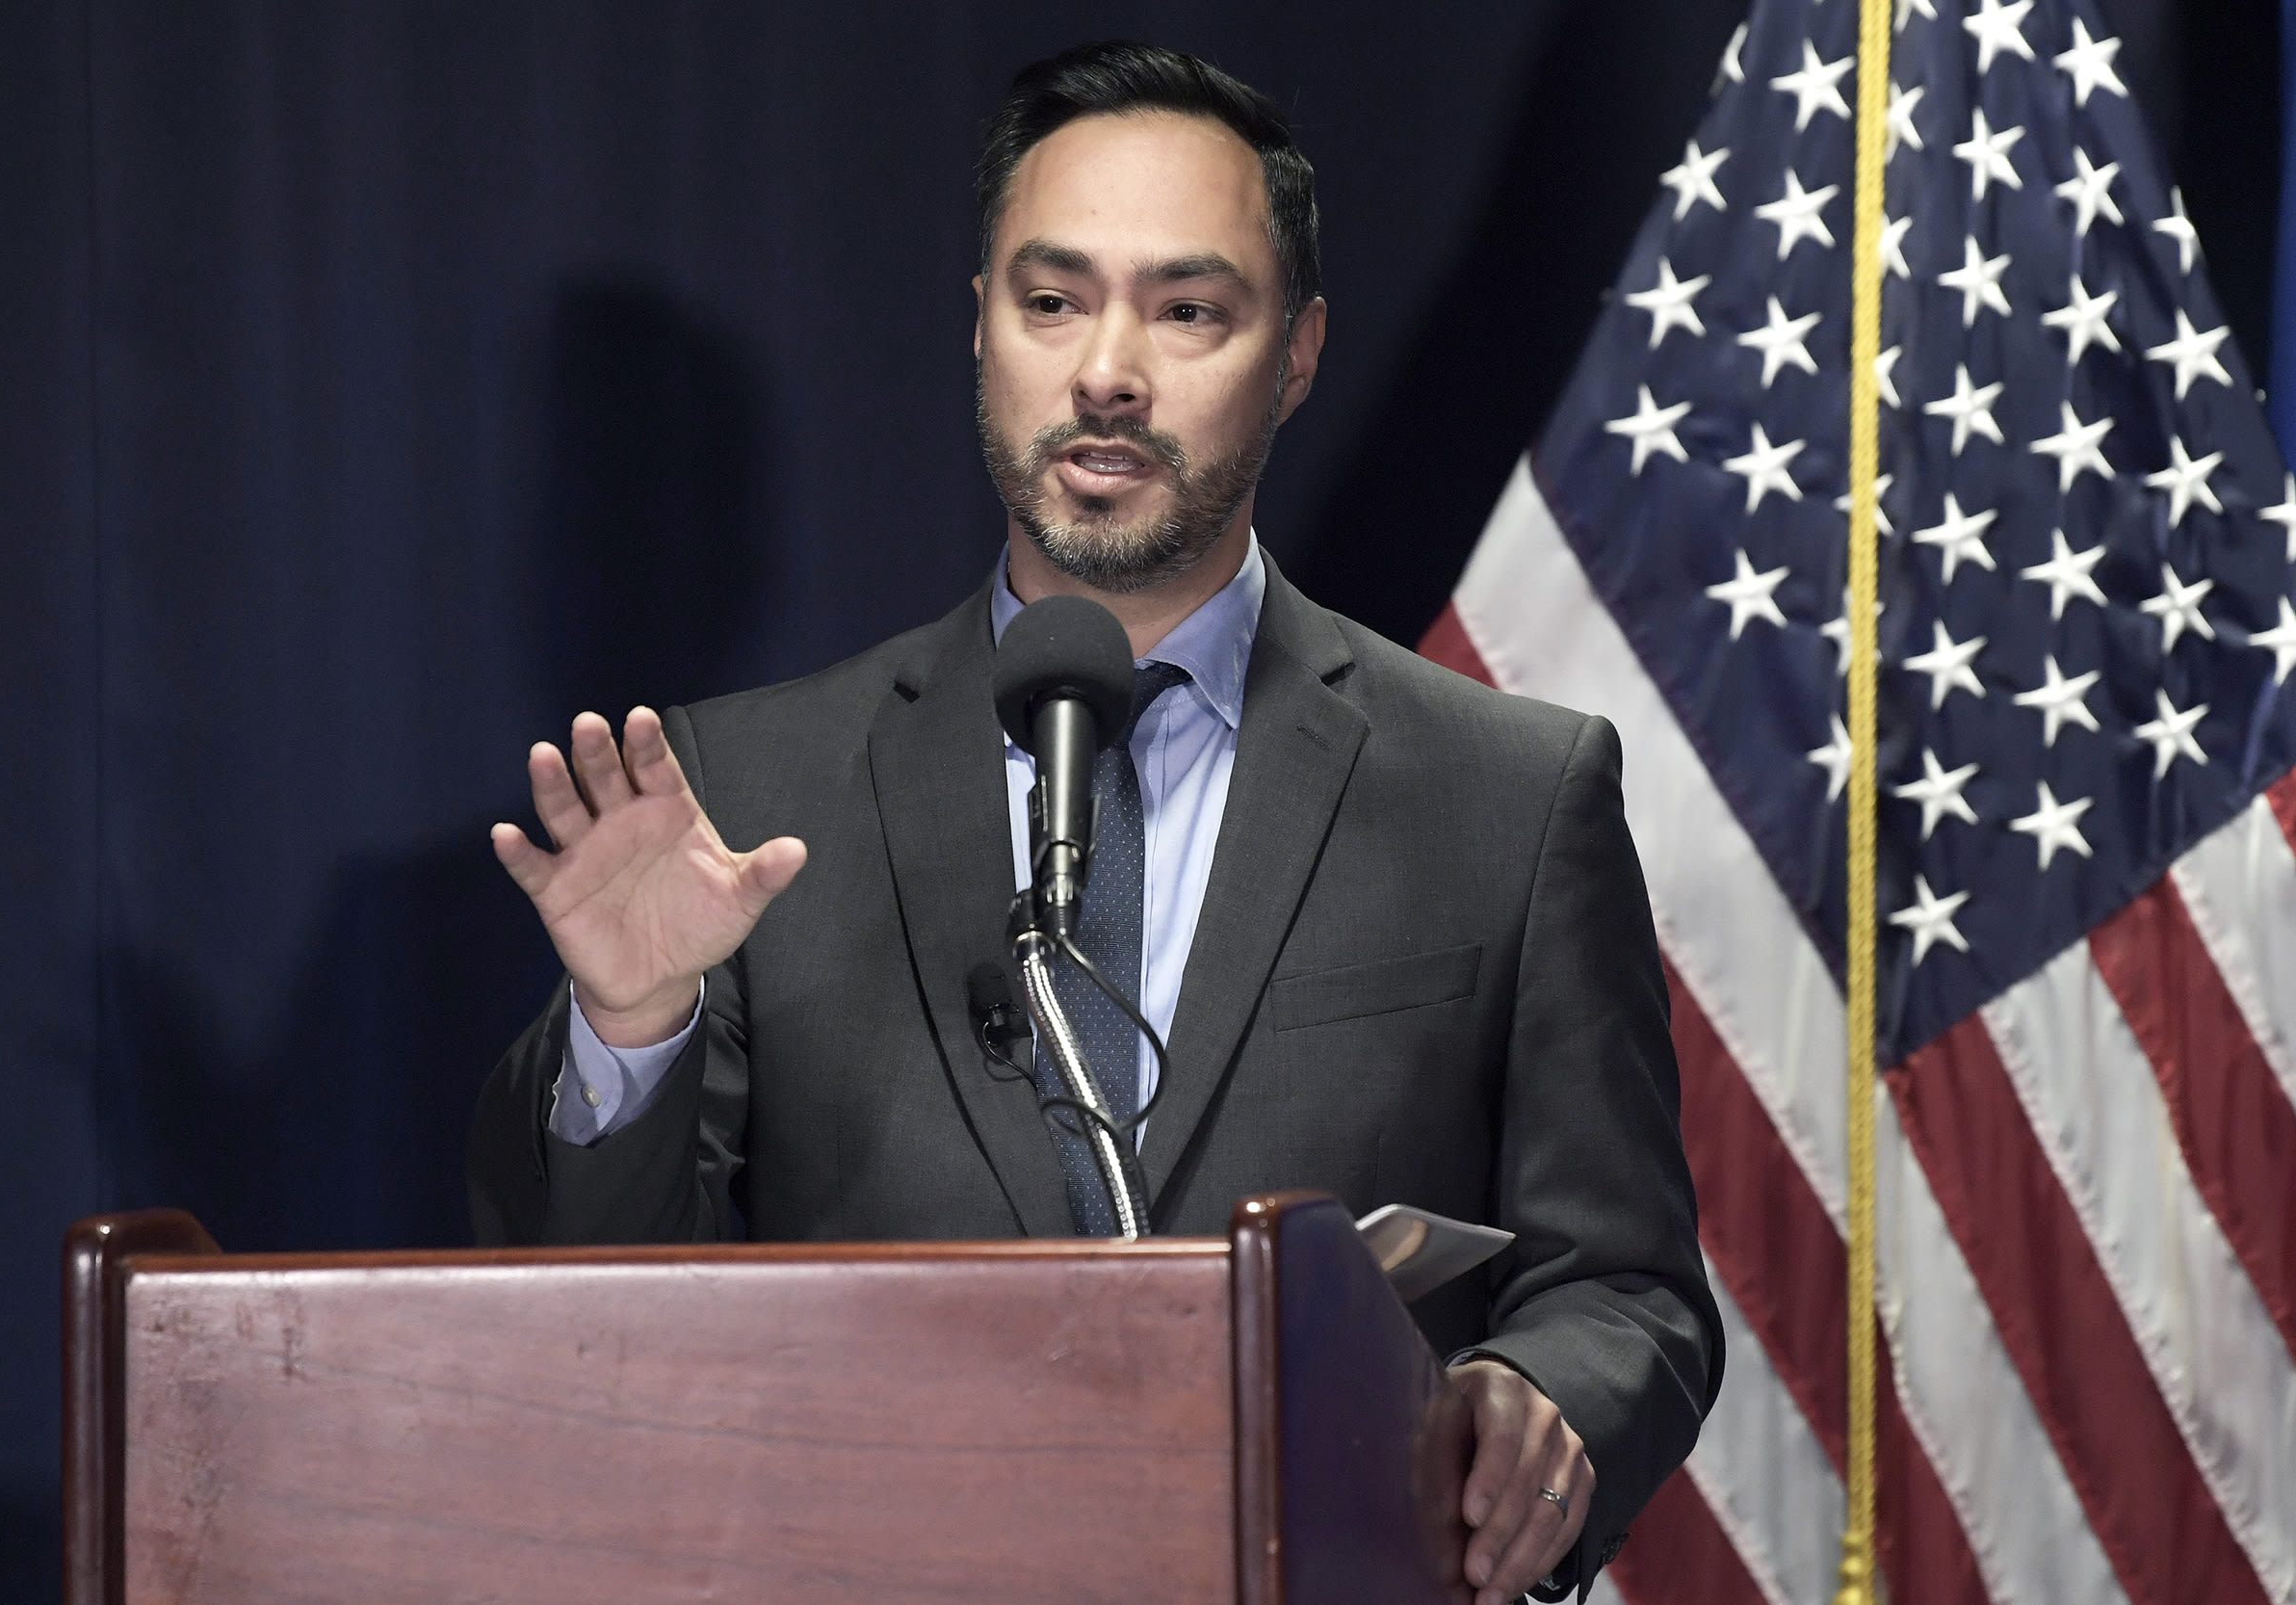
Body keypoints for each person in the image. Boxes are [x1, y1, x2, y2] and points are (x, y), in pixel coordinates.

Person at [469, 40, 1719, 1603]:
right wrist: (632, 1023)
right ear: (978, 327)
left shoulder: (1506, 791)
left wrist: (1550, 1405)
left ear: (1302, 351)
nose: (1107, 369)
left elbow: (1630, 1288)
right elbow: (583, 1316)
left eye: (1189, 309)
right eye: (1051, 300)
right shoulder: (749, 792)